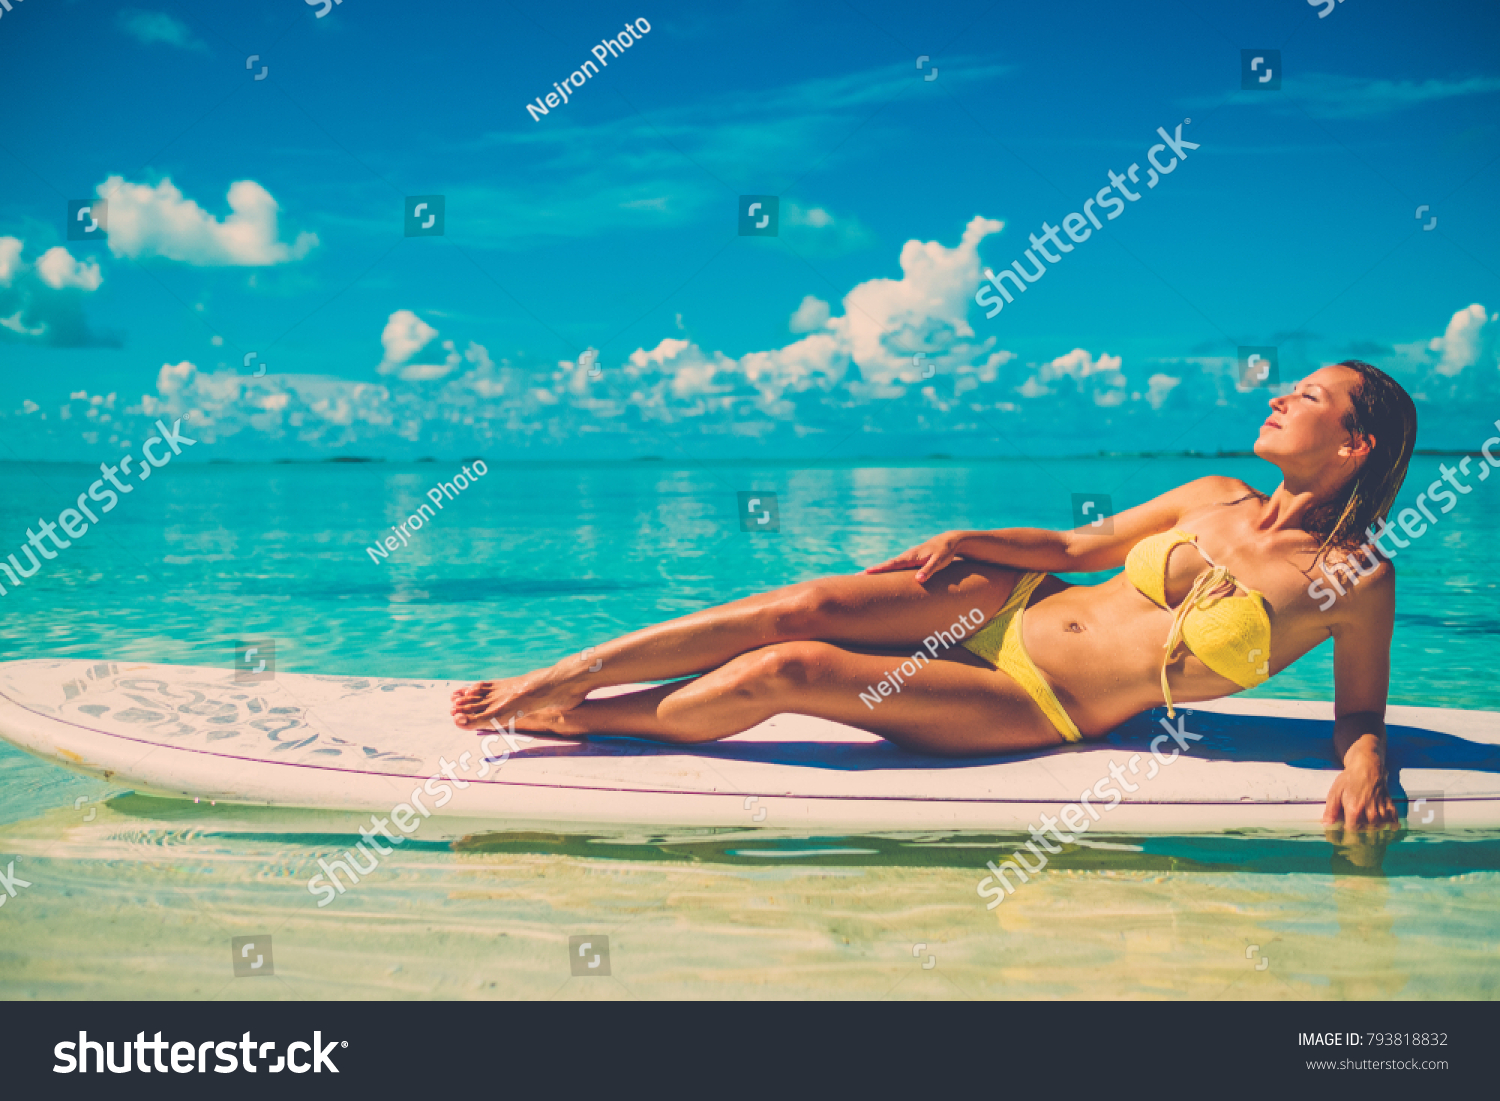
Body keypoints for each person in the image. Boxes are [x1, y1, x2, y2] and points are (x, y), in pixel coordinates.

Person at [452, 360, 1416, 829]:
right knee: (800, 608)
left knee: (789, 668)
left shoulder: (1356, 582)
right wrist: (968, 539)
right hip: (1012, 599)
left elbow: (1360, 710)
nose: (1279, 393)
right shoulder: (1216, 496)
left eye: (1309, 395)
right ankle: (557, 673)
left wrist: (1368, 762)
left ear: (1355, 443)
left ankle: (588, 722)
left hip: (1039, 700)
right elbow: (1078, 544)